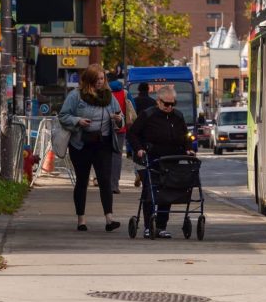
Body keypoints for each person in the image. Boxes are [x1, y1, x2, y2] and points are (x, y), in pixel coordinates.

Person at [58, 64, 123, 232]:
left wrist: (117, 119)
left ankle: (109, 219)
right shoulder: (76, 96)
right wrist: (77, 121)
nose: (100, 82)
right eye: (96, 79)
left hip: (103, 144)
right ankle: (81, 220)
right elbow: (63, 116)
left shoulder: (109, 97)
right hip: (81, 144)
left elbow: (120, 116)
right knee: (82, 180)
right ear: (89, 80)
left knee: (105, 180)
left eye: (102, 79)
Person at [127, 86, 194, 239]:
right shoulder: (148, 115)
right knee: (150, 191)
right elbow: (133, 134)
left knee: (167, 190)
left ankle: (161, 226)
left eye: (173, 104)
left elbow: (185, 135)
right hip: (148, 159)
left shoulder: (178, 116)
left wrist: (188, 148)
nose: (170, 107)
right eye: (166, 104)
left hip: (170, 160)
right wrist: (139, 149)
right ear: (158, 101)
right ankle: (148, 226)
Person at [108, 72, 134, 194]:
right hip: (121, 129)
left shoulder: (105, 93)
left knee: (105, 155)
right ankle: (115, 184)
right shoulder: (125, 93)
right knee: (117, 156)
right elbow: (132, 109)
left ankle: (105, 182)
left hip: (106, 128)